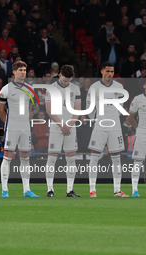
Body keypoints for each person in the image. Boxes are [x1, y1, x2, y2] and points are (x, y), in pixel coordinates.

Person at [0, 61, 39, 198]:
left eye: (24, 70)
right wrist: (8, 124)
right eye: (20, 70)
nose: (23, 72)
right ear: (14, 72)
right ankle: (5, 190)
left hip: (25, 128)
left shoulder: (29, 89)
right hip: (12, 127)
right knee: (7, 157)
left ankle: (26, 190)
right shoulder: (6, 89)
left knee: (25, 158)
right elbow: (1, 110)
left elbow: (30, 109)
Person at [87, 62, 128, 198]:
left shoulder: (119, 86)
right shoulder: (94, 87)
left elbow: (121, 106)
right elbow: (89, 108)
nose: (110, 74)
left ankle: (117, 190)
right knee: (94, 157)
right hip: (100, 127)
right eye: (108, 71)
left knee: (116, 159)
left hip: (115, 127)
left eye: (112, 71)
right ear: (102, 71)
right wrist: (97, 120)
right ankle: (92, 190)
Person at [44, 65, 81, 197]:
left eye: (69, 80)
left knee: (71, 159)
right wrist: (61, 125)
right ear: (59, 75)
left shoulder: (75, 88)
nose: (67, 83)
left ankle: (70, 190)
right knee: (52, 158)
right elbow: (49, 110)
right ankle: (50, 189)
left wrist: (69, 125)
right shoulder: (52, 88)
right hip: (56, 127)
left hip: (71, 128)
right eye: (65, 80)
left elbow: (77, 109)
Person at [128, 74, 146, 197]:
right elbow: (130, 117)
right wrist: (138, 129)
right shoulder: (137, 99)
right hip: (142, 134)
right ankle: (135, 189)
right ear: (144, 85)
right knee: (138, 162)